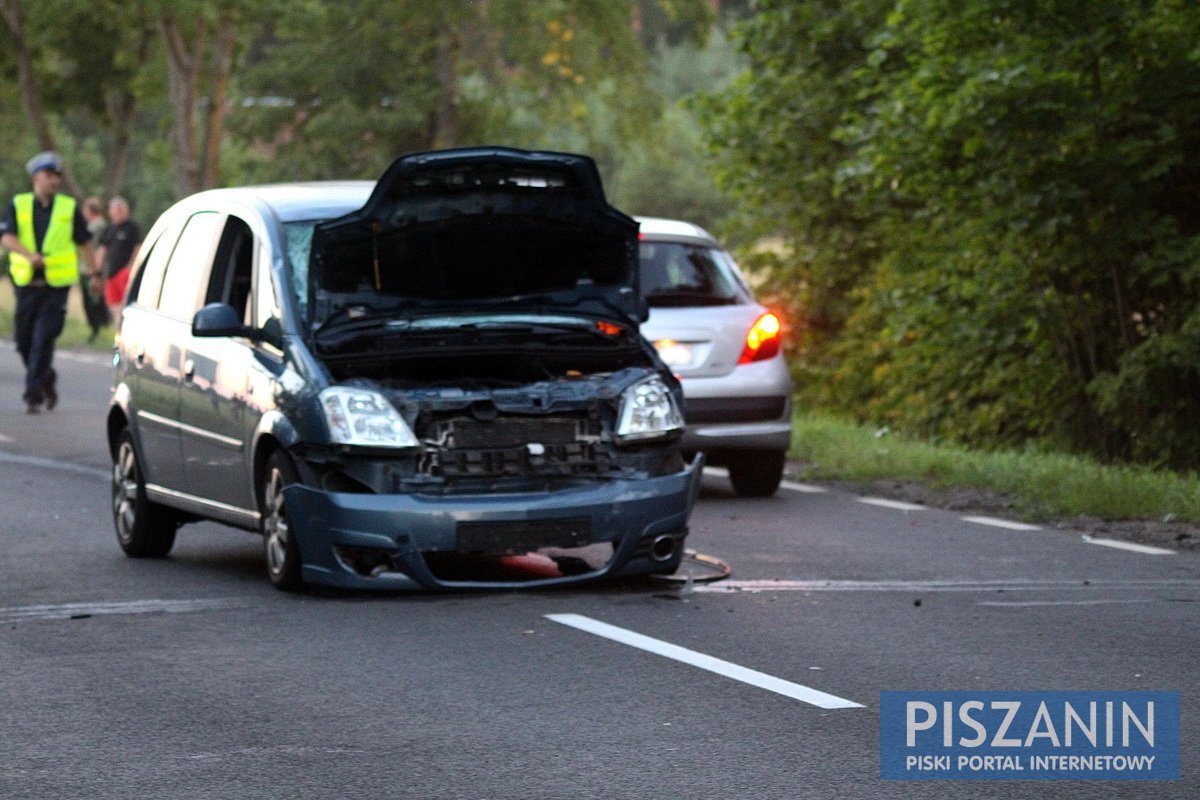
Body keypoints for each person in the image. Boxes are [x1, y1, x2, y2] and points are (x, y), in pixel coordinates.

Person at [0, 151, 94, 414]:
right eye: (49, 176)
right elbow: (7, 238)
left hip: (56, 287)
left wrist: (95, 274)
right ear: (35, 178)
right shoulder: (18, 205)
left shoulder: (68, 207)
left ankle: (33, 395)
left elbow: (85, 241)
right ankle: (46, 378)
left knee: (43, 340)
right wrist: (29, 256)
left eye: (57, 176)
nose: (54, 181)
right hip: (26, 284)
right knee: (23, 341)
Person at [95, 196, 140, 325]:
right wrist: (96, 271)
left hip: (124, 272)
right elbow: (102, 250)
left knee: (125, 304)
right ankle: (118, 331)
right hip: (111, 274)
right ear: (110, 212)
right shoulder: (109, 229)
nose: (118, 213)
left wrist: (132, 267)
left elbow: (137, 247)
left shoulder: (132, 227)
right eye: (116, 209)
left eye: (121, 209)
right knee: (114, 306)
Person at [79, 196, 110, 341]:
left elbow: (94, 248)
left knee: (94, 302)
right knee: (94, 301)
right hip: (90, 268)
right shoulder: (99, 225)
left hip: (92, 269)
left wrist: (94, 270)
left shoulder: (96, 226)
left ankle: (98, 330)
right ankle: (99, 330)